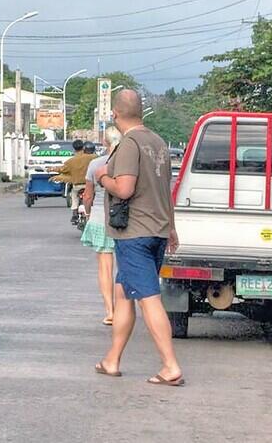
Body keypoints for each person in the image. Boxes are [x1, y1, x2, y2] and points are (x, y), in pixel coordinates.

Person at [93, 89, 184, 387]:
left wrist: (102, 177)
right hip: (157, 230)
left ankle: (170, 366)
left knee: (148, 299)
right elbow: (165, 190)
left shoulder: (130, 144)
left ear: (115, 114)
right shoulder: (157, 142)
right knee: (123, 295)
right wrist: (170, 227)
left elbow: (125, 189)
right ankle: (112, 359)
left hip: (135, 234)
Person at [81, 128, 119, 326]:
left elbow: (88, 195)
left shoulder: (95, 164)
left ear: (105, 143)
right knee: (126, 266)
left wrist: (87, 212)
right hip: (126, 220)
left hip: (99, 218)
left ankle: (110, 311)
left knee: (105, 267)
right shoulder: (128, 163)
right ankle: (125, 309)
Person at [53, 140, 96, 226]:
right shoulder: (95, 158)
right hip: (90, 185)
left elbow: (63, 170)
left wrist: (53, 169)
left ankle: (74, 213)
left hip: (77, 186)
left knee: (74, 195)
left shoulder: (72, 160)